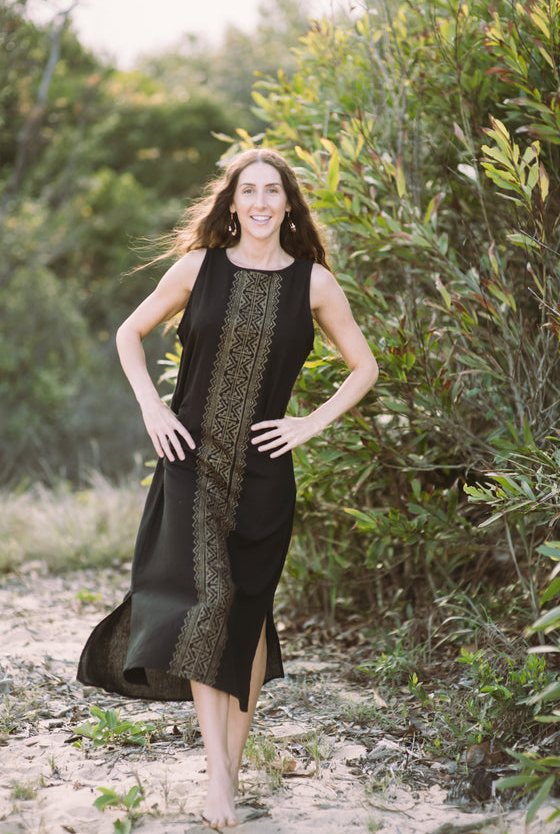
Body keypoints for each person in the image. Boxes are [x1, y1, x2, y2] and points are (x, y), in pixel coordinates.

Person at [77, 147, 378, 829]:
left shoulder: (314, 284)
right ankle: (219, 780)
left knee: (244, 617)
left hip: (266, 474)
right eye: (251, 192)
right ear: (233, 203)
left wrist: (310, 422)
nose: (263, 203)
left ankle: (229, 776)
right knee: (207, 604)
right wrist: (152, 408)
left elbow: (364, 367)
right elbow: (130, 331)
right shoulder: (198, 268)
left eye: (275, 192)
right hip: (189, 461)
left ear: (289, 205)